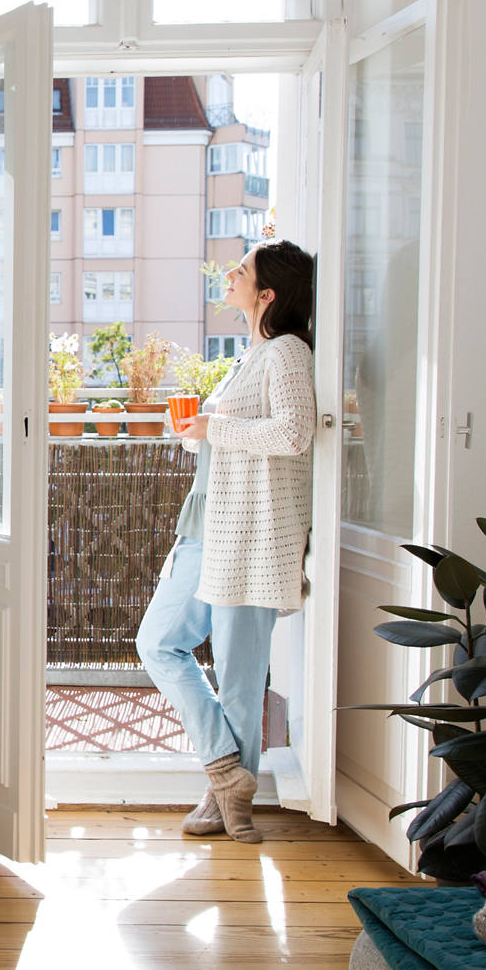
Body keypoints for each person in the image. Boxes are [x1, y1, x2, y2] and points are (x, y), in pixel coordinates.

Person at [135, 239, 316, 844]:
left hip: (252, 532)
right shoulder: (251, 355)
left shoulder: (287, 353)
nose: (230, 274)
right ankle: (226, 770)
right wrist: (199, 432)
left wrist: (216, 426)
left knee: (240, 674)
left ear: (267, 294)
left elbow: (293, 435)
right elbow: (233, 435)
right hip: (208, 524)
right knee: (158, 642)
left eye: (243, 270)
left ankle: (226, 804)